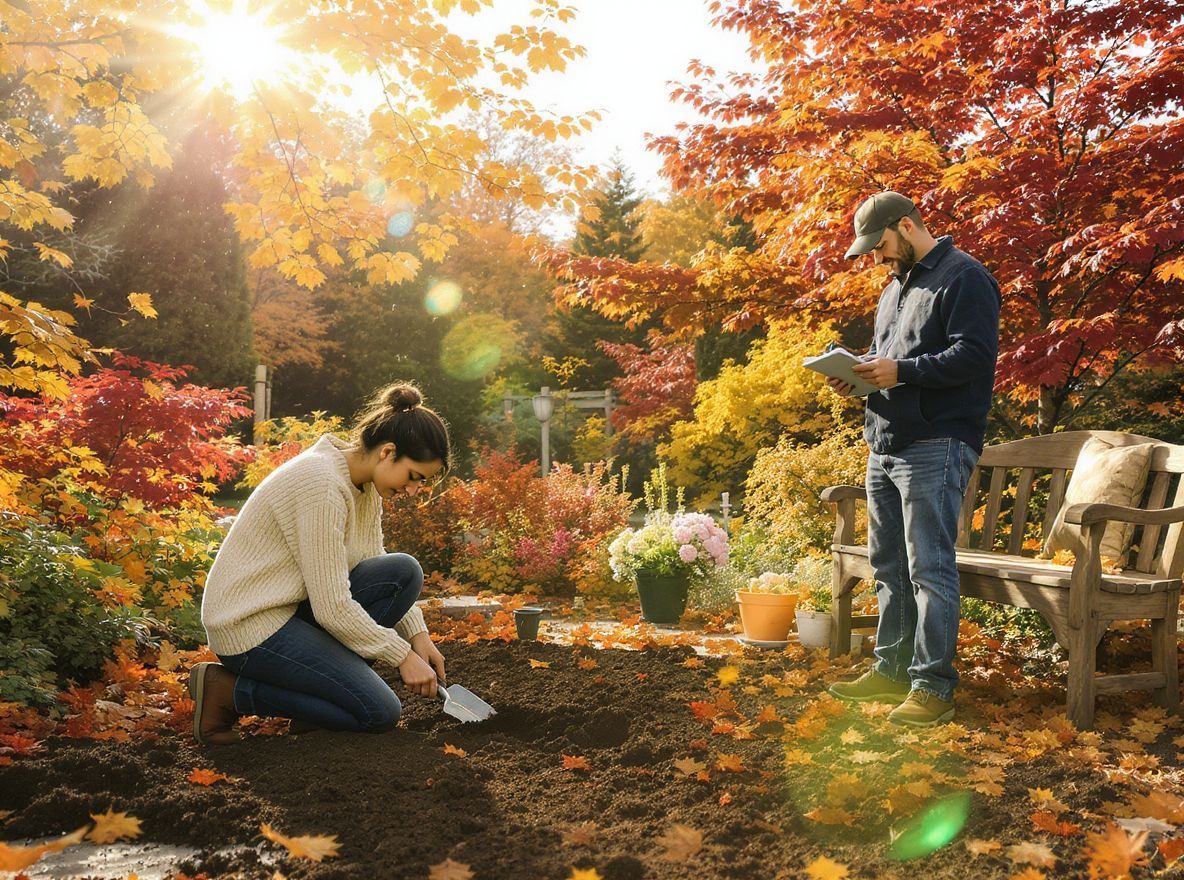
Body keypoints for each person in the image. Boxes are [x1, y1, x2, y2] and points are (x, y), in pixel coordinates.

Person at [189, 382, 451, 744]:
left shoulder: (363, 486)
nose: (413, 491)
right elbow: (332, 607)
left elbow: (373, 562)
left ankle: (322, 698)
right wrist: (401, 655)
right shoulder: (321, 486)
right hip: (249, 625)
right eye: (414, 477)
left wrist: (418, 637)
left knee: (402, 572)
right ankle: (229, 692)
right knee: (380, 712)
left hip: (290, 611)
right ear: (387, 452)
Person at [826, 191, 1000, 727]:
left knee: (930, 568)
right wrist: (856, 378)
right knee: (889, 566)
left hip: (936, 443)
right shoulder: (892, 291)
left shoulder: (964, 276)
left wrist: (901, 372)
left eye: (879, 246)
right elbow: (890, 361)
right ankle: (891, 669)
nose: (876, 258)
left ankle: (933, 687)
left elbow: (974, 355)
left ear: (907, 225)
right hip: (884, 441)